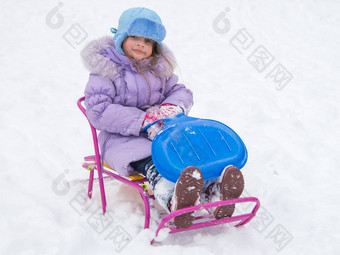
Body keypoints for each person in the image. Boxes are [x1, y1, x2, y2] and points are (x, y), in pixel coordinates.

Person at [82, 7, 244, 228]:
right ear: (121, 38)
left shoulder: (158, 69)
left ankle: (215, 194)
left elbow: (181, 91)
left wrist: (170, 107)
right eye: (135, 38)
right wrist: (143, 120)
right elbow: (98, 111)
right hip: (121, 138)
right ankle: (173, 200)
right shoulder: (106, 71)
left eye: (147, 41)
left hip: (162, 130)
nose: (141, 44)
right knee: (154, 161)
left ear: (155, 47)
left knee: (190, 154)